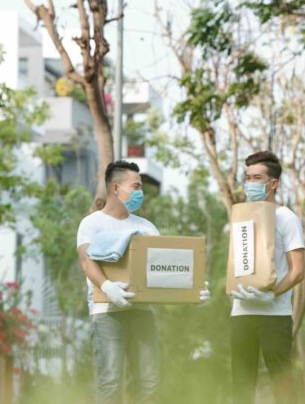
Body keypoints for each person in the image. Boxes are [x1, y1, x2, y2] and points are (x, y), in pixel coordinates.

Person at [77, 160, 209, 404]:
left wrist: (192, 292)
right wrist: (107, 287)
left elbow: (162, 270)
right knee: (111, 382)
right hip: (108, 312)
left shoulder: (146, 227)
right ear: (116, 188)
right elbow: (86, 260)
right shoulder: (92, 223)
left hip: (142, 312)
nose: (140, 193)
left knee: (149, 382)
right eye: (135, 186)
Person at [230, 151, 305, 404]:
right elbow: (234, 267)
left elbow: (298, 271)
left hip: (274, 315)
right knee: (241, 386)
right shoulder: (241, 218)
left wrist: (270, 294)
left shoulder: (286, 218)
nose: (250, 183)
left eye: (257, 178)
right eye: (248, 177)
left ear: (273, 183)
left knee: (282, 386)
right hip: (241, 313)